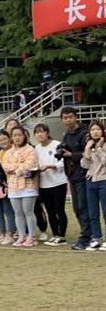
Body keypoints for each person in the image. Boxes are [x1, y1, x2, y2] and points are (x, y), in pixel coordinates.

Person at [59, 107, 92, 250]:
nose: (68, 120)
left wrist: (71, 155)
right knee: (77, 208)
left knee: (83, 208)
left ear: (76, 117)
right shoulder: (67, 133)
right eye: (65, 118)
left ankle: (87, 237)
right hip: (72, 175)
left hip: (84, 175)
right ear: (61, 119)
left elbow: (88, 153)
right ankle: (87, 234)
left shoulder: (85, 132)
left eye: (70, 117)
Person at [2, 126, 40, 248]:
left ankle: (31, 236)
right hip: (13, 185)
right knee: (18, 213)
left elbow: (30, 164)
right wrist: (19, 168)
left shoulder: (30, 150)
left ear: (24, 136)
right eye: (14, 135)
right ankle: (22, 236)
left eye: (19, 135)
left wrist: (16, 169)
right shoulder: (8, 152)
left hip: (28, 184)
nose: (17, 137)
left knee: (28, 211)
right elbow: (6, 166)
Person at [34, 124, 68, 246]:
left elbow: (63, 161)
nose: (40, 134)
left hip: (58, 182)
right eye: (37, 132)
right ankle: (55, 235)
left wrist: (51, 166)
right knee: (50, 211)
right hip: (44, 184)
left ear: (47, 133)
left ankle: (62, 236)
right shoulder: (36, 148)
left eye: (42, 132)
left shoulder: (56, 144)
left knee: (59, 209)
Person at [81, 120, 106, 251]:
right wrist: (87, 149)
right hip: (91, 181)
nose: (95, 132)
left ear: (102, 131)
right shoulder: (89, 145)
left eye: (98, 129)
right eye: (92, 130)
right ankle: (96, 237)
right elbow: (85, 165)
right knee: (93, 213)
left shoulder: (104, 145)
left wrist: (100, 148)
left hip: (104, 180)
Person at [0, 131, 19, 244]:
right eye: (0, 140)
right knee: (5, 210)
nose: (3, 141)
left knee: (14, 210)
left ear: (10, 139)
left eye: (5, 139)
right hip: (5, 185)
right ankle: (5, 233)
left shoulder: (16, 150)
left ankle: (14, 233)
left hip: (18, 182)